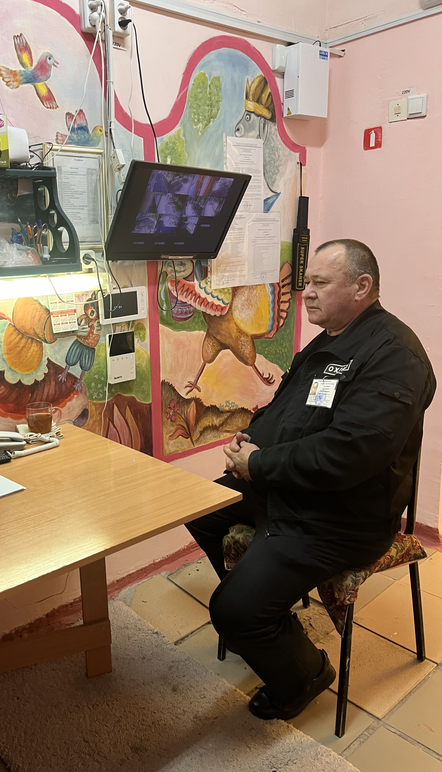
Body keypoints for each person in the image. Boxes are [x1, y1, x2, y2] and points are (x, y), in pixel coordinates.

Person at [186, 239, 436, 721]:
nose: (308, 293)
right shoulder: (326, 342)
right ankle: (265, 611)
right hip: (289, 487)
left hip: (340, 517)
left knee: (232, 611)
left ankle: (305, 674)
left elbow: (348, 454)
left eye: (321, 282)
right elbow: (284, 411)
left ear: (362, 286)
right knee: (199, 507)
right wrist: (248, 440)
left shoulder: (395, 356)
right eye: (307, 283)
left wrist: (259, 465)